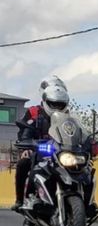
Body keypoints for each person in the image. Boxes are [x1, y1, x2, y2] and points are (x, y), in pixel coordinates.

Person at [13, 78, 70, 211]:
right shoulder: (34, 112)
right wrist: (26, 146)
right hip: (39, 150)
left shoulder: (68, 116)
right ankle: (21, 199)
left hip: (61, 152)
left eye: (60, 104)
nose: (57, 107)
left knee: (84, 167)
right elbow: (25, 130)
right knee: (23, 163)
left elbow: (77, 132)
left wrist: (91, 143)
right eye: (53, 104)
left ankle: (85, 200)